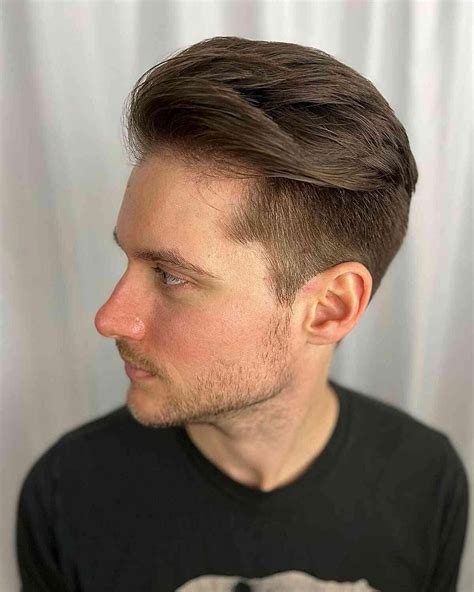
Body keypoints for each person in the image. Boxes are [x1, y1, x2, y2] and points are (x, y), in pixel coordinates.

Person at [16, 36, 468, 592]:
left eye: (172, 275)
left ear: (329, 308)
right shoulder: (67, 494)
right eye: (128, 259)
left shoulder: (427, 483)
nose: (110, 318)